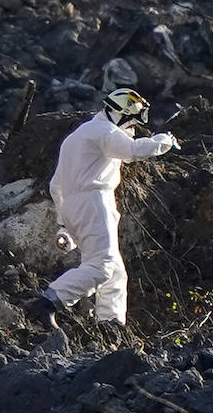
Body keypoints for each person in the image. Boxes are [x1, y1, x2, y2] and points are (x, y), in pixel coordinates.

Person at [26, 88, 179, 335]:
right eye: (131, 121)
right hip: (95, 202)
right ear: (117, 114)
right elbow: (132, 151)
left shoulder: (76, 137)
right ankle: (48, 302)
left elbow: (56, 185)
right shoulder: (103, 131)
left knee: (116, 274)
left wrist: (64, 223)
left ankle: (111, 328)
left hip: (76, 206)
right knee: (102, 266)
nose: (132, 128)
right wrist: (165, 141)